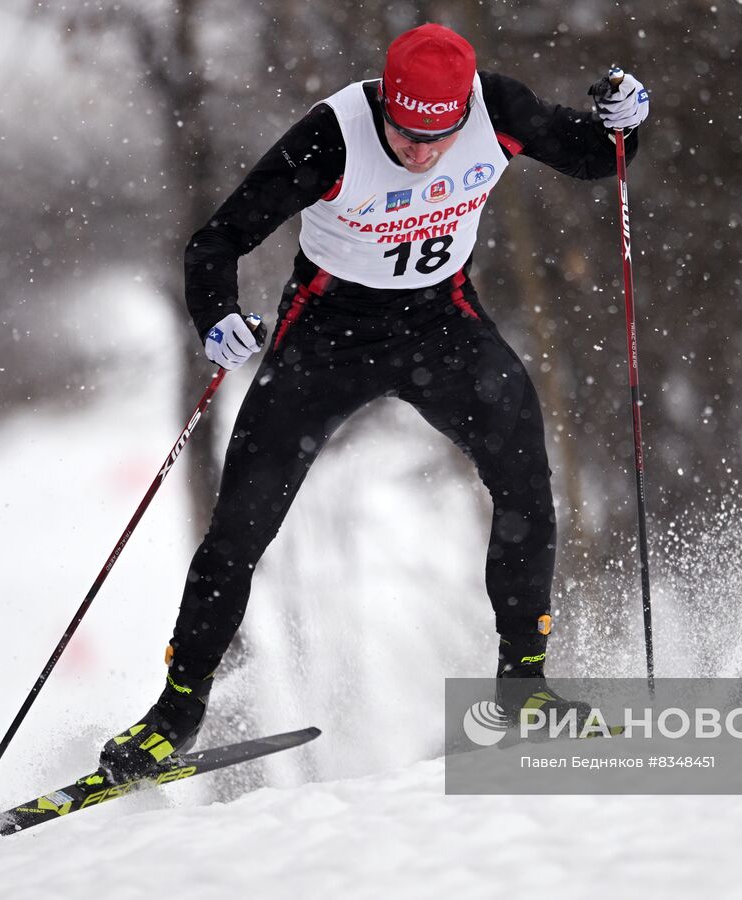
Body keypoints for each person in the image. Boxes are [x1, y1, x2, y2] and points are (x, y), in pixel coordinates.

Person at [100, 23, 648, 777]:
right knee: (241, 524)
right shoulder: (332, 135)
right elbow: (216, 242)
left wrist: (626, 125)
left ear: (464, 114)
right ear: (385, 102)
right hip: (326, 333)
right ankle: (175, 712)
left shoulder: (498, 109)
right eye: (405, 131)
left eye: (439, 136)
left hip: (442, 322)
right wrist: (217, 316)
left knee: (526, 478)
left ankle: (524, 685)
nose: (420, 152)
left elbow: (596, 157)